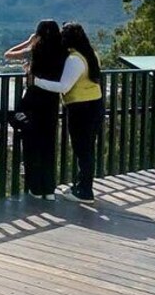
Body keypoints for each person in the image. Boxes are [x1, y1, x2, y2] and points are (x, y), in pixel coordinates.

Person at [33, 22, 104, 204]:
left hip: (81, 108)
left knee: (83, 149)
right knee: (87, 149)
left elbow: (64, 86)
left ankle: (85, 191)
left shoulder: (74, 59)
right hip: (95, 104)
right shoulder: (91, 54)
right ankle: (81, 185)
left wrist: (37, 81)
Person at [4, 20, 67, 200]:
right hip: (51, 101)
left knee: (32, 144)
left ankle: (35, 188)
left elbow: (8, 55)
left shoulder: (35, 51)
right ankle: (48, 188)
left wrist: (29, 41)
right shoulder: (63, 53)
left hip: (33, 100)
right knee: (48, 144)